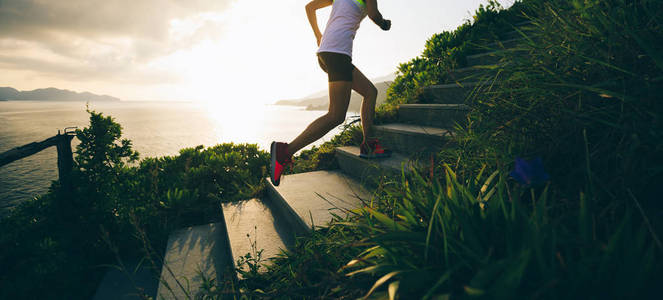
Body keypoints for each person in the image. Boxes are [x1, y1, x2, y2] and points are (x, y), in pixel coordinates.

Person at [270, 0, 392, 186]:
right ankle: (285, 151)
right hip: (338, 53)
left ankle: (368, 145)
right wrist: (385, 24)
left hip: (326, 52)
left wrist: (318, 34)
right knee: (336, 115)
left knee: (370, 92)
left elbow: (309, 7)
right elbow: (374, 15)